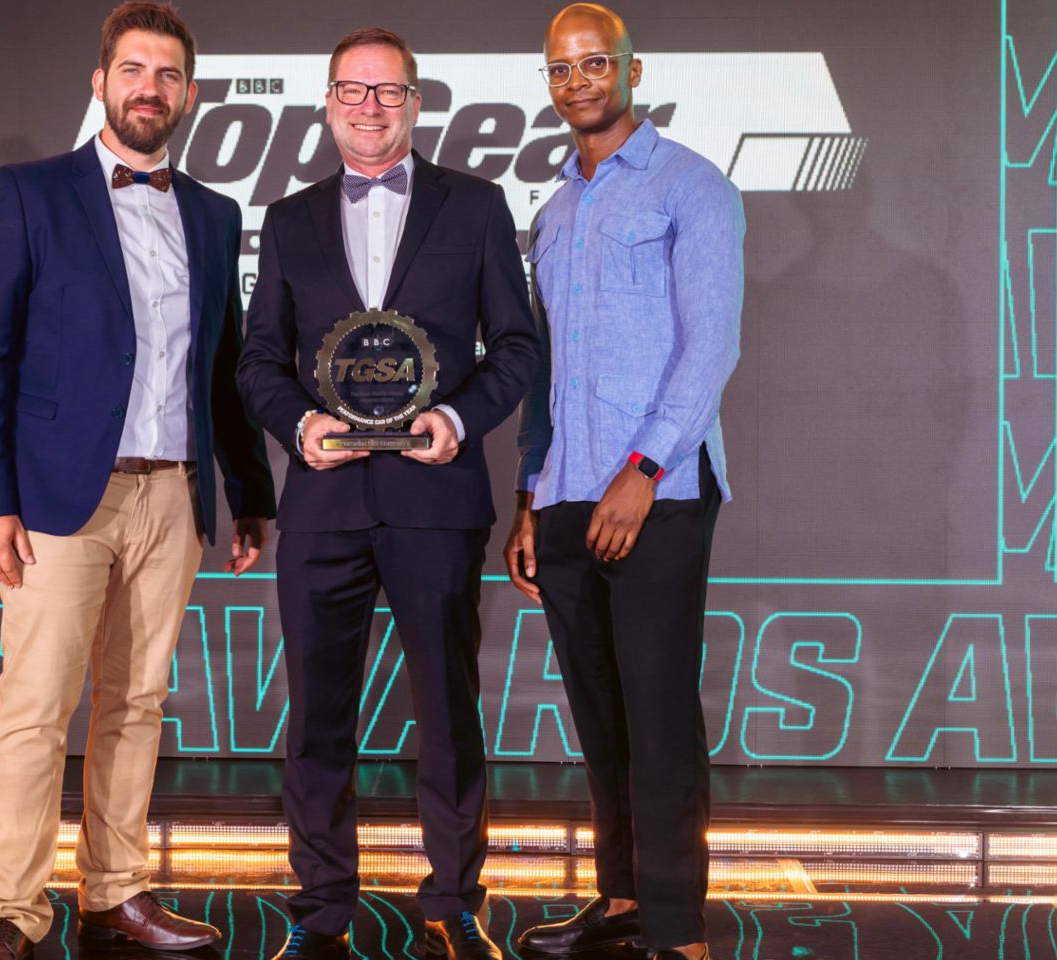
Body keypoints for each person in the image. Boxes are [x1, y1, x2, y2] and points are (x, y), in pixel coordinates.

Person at [0, 3, 275, 957]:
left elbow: (222, 365)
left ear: (190, 94)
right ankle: (11, 910)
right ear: (100, 83)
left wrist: (249, 492)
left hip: (172, 495)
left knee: (137, 705)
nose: (149, 89)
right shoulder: (28, 193)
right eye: (132, 70)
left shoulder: (213, 214)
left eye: (167, 75)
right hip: (58, 499)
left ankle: (116, 891)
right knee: (36, 706)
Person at [234, 26, 541, 960]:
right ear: (328, 103)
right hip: (323, 501)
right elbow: (257, 360)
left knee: (447, 713)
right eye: (352, 90)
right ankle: (322, 910)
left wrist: (457, 419)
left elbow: (517, 346)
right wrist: (299, 426)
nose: (369, 107)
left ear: (415, 101)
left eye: (387, 91)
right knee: (317, 719)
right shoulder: (288, 218)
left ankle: (453, 903)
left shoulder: (477, 207)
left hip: (435, 499)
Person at [505, 5, 745, 960]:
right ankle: (621, 899)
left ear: (632, 70)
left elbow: (711, 346)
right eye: (561, 70)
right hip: (567, 492)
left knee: (658, 713)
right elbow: (544, 372)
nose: (578, 83)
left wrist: (643, 468)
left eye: (594, 63)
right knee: (600, 714)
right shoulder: (554, 211)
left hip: (659, 492)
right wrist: (530, 496)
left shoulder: (693, 186)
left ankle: (678, 930)